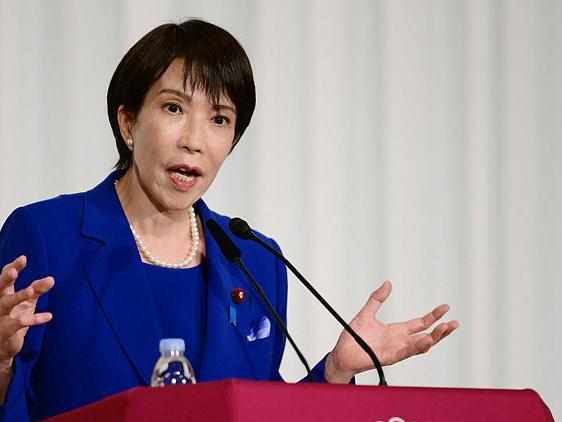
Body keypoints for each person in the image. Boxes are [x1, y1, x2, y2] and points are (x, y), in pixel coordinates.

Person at [0, 19, 459, 420]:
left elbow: (263, 412)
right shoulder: (46, 237)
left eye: (219, 119)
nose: (195, 139)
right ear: (128, 122)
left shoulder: (255, 261)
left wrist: (336, 371)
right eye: (174, 108)